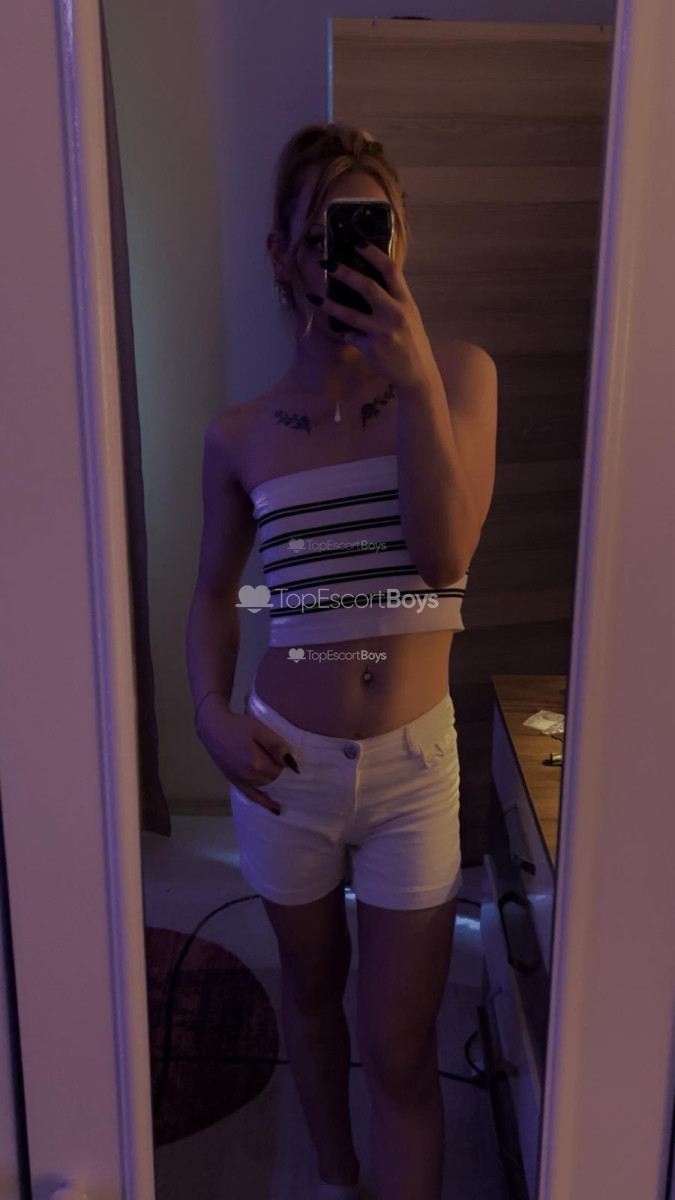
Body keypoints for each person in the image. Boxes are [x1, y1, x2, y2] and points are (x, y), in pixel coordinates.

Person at [187, 122, 497, 1200]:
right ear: (283, 254)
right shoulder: (238, 434)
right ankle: (333, 1179)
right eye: (327, 235)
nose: (355, 256)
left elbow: (443, 559)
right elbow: (213, 593)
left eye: (377, 230)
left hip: (414, 772)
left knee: (402, 1052)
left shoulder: (457, 377)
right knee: (312, 1003)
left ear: (402, 242)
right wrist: (209, 711)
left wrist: (413, 384)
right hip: (285, 769)